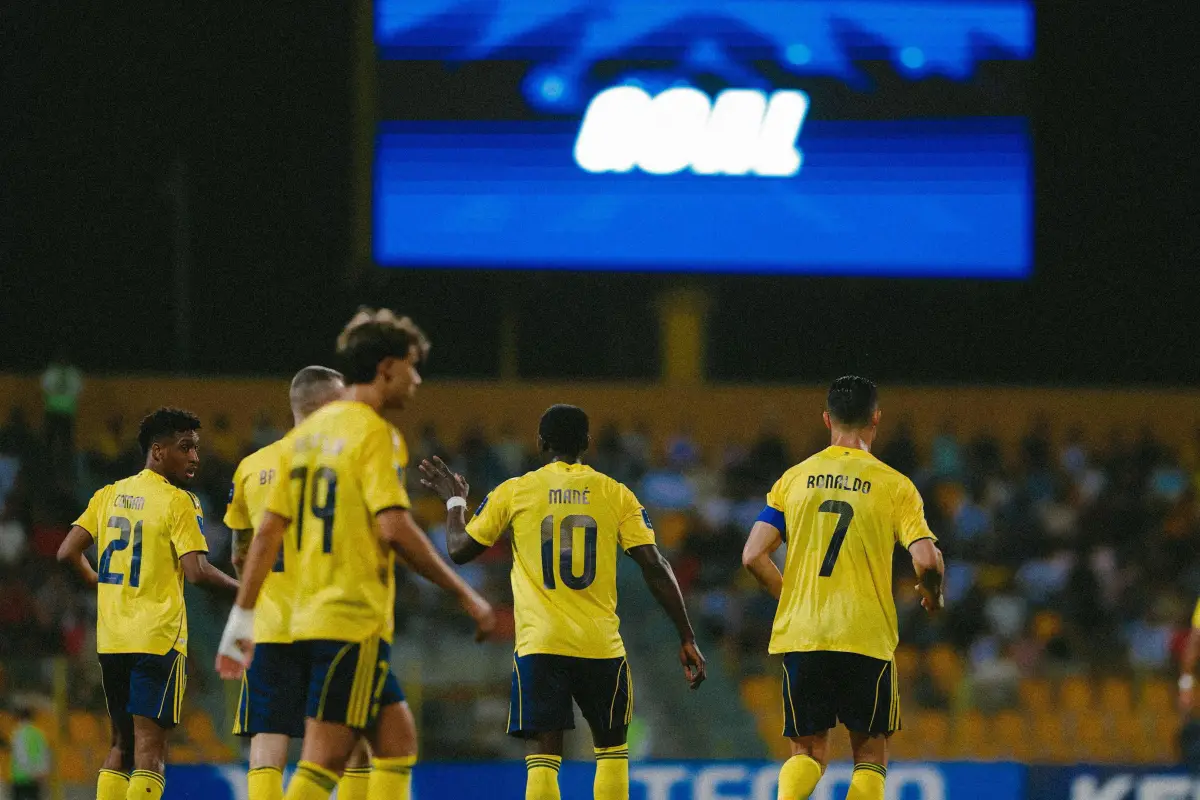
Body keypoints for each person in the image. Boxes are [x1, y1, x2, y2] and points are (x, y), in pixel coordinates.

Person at [217, 308, 496, 800]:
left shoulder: (300, 441)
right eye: (413, 366)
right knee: (325, 759)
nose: (417, 379)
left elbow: (265, 535)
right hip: (351, 618)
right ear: (387, 367)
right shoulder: (374, 433)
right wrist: (464, 595)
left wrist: (242, 615)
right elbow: (394, 525)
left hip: (303, 618)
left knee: (396, 739)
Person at [420, 403, 707, 800]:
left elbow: (458, 550)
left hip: (541, 645)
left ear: (540, 443)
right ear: (587, 443)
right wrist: (686, 635)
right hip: (601, 646)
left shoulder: (515, 491)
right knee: (611, 753)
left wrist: (454, 503)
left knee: (543, 758)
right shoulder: (615, 493)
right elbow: (655, 566)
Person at [741, 376, 944, 800]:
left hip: (805, 633)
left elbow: (752, 555)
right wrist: (932, 593)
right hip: (865, 636)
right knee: (869, 755)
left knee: (807, 752)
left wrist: (791, 596)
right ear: (876, 418)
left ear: (826, 419)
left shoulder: (795, 478)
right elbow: (926, 559)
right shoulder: (895, 486)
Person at [56, 407, 239, 800]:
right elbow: (197, 572)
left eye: (196, 448)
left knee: (119, 745)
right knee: (150, 752)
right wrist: (244, 591)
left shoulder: (108, 494)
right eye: (185, 447)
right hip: (157, 638)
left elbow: (67, 551)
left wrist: (97, 583)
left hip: (113, 637)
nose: (195, 457)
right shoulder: (180, 501)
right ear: (157, 451)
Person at [225, 366, 373, 800]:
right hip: (333, 625)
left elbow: (239, 554)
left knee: (268, 740)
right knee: (353, 743)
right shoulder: (348, 462)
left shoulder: (251, 468)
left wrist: (256, 604)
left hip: (270, 628)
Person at [4, 707, 50, 800]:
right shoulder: (39, 733)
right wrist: (41, 773)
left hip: (21, 778)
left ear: (20, 718)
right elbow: (44, 754)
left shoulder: (18, 733)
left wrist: (30, 772)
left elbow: (20, 756)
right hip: (36, 778)